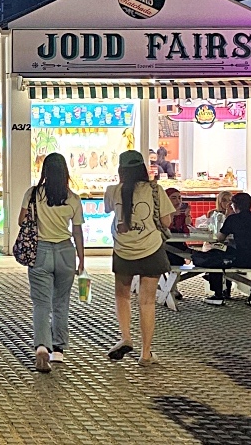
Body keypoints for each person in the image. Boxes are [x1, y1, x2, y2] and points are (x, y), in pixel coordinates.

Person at [104, 150, 173, 366]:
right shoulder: (155, 190)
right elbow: (167, 222)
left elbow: (109, 210)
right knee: (147, 301)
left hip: (123, 250)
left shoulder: (113, 191)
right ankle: (145, 353)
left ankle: (125, 337)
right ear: (143, 168)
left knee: (122, 296)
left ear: (121, 170)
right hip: (151, 249)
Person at [18, 153, 86, 373]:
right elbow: (77, 231)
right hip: (66, 251)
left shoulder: (33, 194)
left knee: (41, 303)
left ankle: (41, 346)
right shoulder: (73, 198)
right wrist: (81, 259)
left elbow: (21, 221)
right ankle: (58, 350)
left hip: (40, 251)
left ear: (44, 171)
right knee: (61, 303)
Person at [204, 192, 251, 307]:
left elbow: (219, 238)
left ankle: (218, 295)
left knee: (215, 256)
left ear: (234, 205)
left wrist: (229, 217)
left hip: (244, 259)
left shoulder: (233, 219)